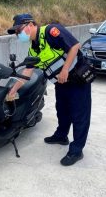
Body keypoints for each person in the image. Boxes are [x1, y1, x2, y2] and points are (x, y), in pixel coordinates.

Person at [7, 13, 91, 166]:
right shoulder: (33, 49)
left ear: (31, 24)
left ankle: (77, 150)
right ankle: (61, 136)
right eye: (17, 33)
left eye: (19, 30)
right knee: (62, 110)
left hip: (77, 79)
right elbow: (27, 71)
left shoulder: (51, 31)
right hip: (61, 83)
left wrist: (65, 69)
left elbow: (74, 46)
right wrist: (13, 90)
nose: (19, 34)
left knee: (79, 115)